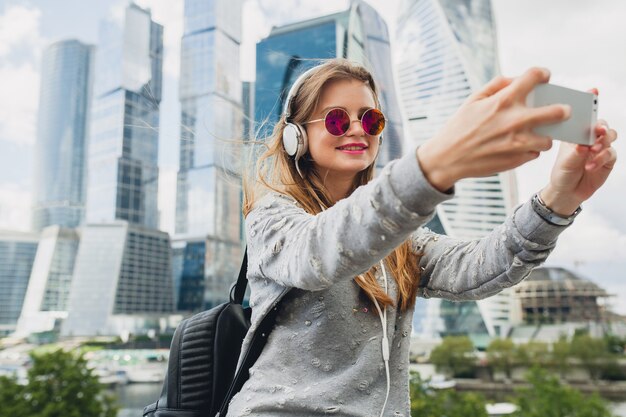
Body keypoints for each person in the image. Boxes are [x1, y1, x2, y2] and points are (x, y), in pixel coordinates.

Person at [225, 58, 618, 417]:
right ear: (296, 136)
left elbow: (480, 265)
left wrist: (560, 198)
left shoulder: (398, 240)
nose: (358, 129)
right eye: (336, 121)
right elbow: (321, 252)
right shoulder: (271, 217)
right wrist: (434, 165)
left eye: (371, 119)